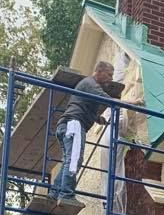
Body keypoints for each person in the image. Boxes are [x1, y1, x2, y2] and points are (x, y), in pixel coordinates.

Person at [50, 61, 117, 201]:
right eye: (109, 75)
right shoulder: (91, 84)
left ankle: (54, 193)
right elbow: (110, 101)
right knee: (74, 160)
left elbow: (83, 106)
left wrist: (98, 119)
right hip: (74, 124)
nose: (111, 79)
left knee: (68, 160)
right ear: (99, 71)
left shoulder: (87, 85)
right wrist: (133, 103)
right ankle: (66, 195)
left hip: (66, 125)